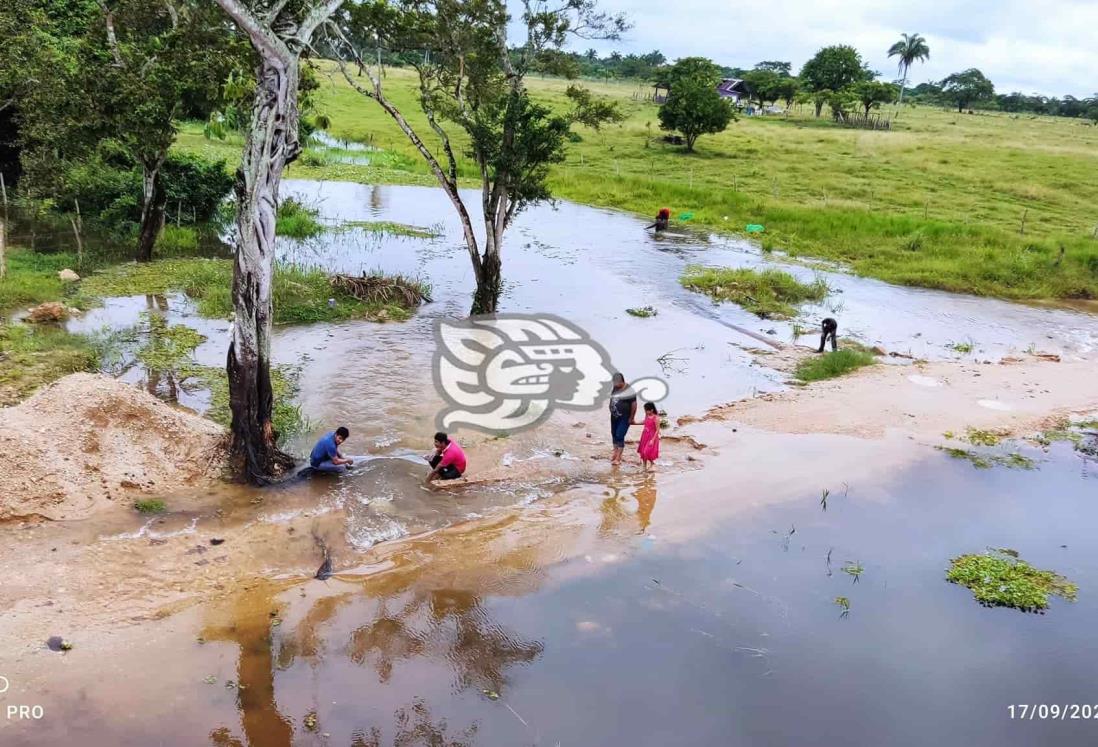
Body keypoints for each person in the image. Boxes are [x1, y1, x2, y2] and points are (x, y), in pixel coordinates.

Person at [609, 372, 637, 464]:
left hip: (625, 417)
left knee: (620, 435)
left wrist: (631, 418)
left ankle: (618, 458)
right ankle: (615, 452)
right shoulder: (615, 387)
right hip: (614, 416)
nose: (614, 384)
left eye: (615, 383)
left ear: (621, 381)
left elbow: (634, 404)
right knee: (613, 433)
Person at [636, 402, 661, 471]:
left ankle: (652, 463)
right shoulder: (647, 415)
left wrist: (653, 440)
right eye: (645, 410)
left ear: (652, 410)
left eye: (647, 410)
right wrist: (635, 423)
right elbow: (644, 422)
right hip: (644, 436)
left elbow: (658, 430)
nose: (645, 411)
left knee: (646, 451)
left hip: (652, 437)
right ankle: (644, 466)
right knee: (642, 451)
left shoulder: (656, 418)